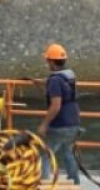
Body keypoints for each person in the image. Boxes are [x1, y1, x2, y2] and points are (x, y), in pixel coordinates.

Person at [38, 44, 81, 185]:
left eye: (47, 60)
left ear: (50, 61)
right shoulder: (69, 76)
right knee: (67, 151)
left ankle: (42, 182)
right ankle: (75, 181)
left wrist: (44, 125)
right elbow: (61, 87)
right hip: (73, 122)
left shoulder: (55, 81)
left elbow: (56, 105)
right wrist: (43, 83)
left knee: (46, 153)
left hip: (60, 124)